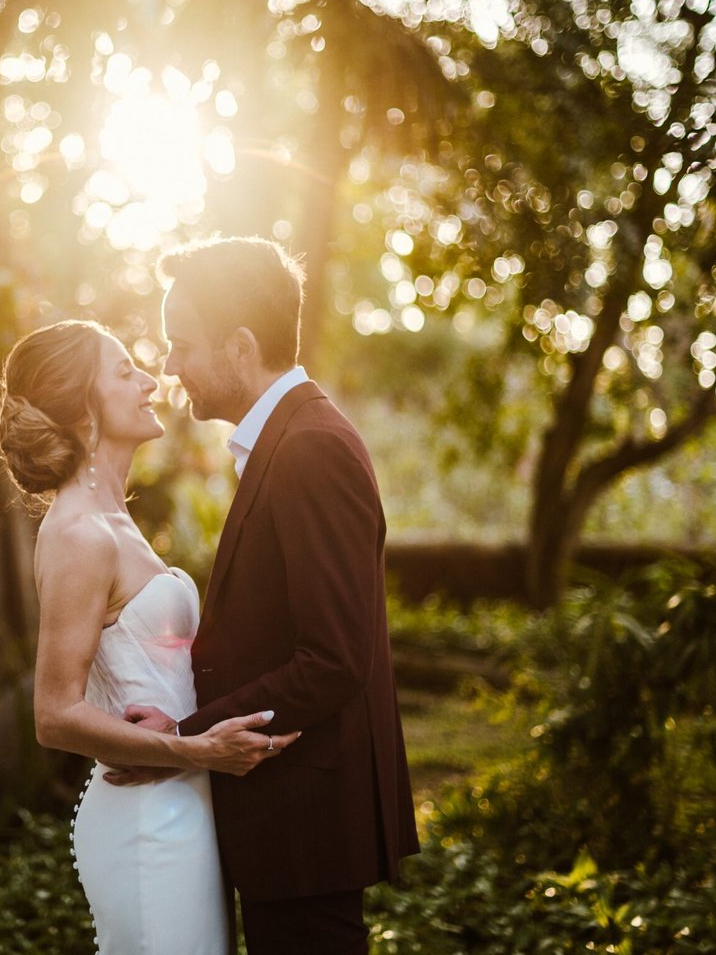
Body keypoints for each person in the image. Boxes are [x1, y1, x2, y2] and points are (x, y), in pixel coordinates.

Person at [110, 237, 420, 955]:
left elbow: (334, 659)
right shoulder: (286, 440)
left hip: (308, 826)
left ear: (241, 347)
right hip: (289, 821)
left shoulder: (310, 447)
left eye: (183, 344)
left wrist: (184, 740)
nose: (170, 367)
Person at [0, 318, 298, 955]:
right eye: (124, 370)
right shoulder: (79, 534)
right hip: (148, 823)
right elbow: (54, 714)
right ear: (83, 406)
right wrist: (197, 751)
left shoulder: (115, 521)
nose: (150, 381)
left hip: (186, 806)